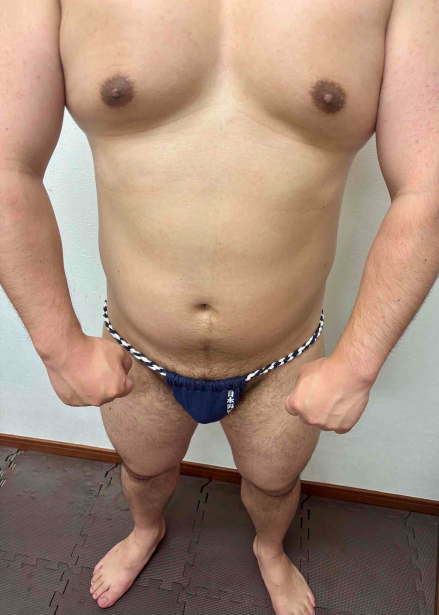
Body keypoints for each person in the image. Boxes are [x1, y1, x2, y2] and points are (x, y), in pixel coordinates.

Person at [0, 0, 437, 613]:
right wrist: (58, 347)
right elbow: (7, 167)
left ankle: (270, 550)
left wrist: (358, 367)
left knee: (274, 484)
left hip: (283, 359)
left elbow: (427, 188)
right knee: (143, 472)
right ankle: (146, 530)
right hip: (137, 351)